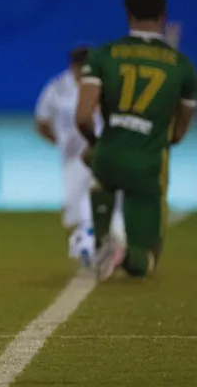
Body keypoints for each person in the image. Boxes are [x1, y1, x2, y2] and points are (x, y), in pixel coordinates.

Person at [76, 0, 197, 280]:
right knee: (147, 261)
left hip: (110, 155)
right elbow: (179, 132)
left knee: (99, 176)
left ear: (128, 13)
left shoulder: (104, 54)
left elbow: (82, 116)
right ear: (163, 14)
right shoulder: (181, 65)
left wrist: (97, 143)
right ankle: (128, 255)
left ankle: (105, 242)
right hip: (148, 164)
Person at [35, 46, 125, 266]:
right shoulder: (57, 88)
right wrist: (60, 142)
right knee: (74, 213)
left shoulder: (103, 84)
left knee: (107, 203)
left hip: (100, 154)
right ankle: (85, 253)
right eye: (79, 65)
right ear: (72, 65)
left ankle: (112, 249)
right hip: (72, 159)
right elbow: (42, 121)